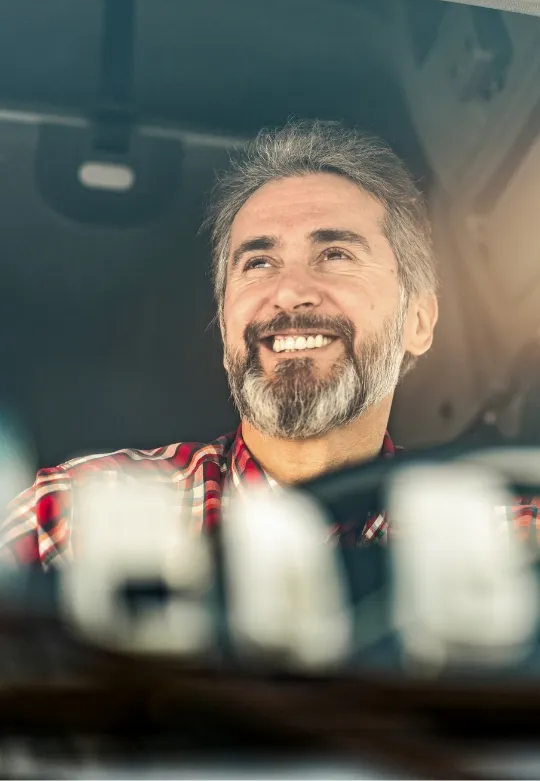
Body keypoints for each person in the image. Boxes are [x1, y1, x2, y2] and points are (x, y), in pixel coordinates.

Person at [0, 120, 441, 568]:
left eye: (335, 255)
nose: (288, 292)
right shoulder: (69, 518)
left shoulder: (506, 532)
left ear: (419, 322)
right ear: (226, 323)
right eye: (259, 262)